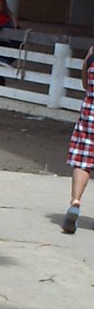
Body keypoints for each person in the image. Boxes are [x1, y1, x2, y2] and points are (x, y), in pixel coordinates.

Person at [64, 46, 94, 233]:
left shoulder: (92, 53)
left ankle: (75, 202)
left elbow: (85, 84)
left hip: (90, 113)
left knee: (83, 161)